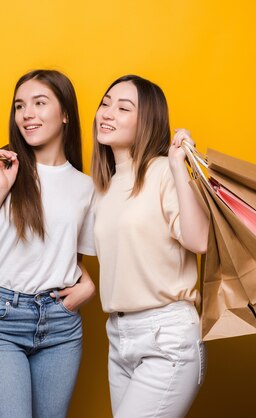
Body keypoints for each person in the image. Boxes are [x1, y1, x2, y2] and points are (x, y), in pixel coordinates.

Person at [0, 69, 96, 418]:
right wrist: (0, 188)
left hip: (61, 323)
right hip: (0, 318)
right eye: (19, 106)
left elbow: (61, 252)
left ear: (65, 114)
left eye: (39, 103)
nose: (27, 114)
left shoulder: (85, 188)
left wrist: (87, 284)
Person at [92, 75, 209, 418]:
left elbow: (199, 239)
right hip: (118, 335)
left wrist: (177, 167)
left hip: (166, 336)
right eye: (105, 103)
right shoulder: (105, 186)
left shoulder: (162, 172)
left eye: (123, 107)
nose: (107, 113)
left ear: (148, 122)